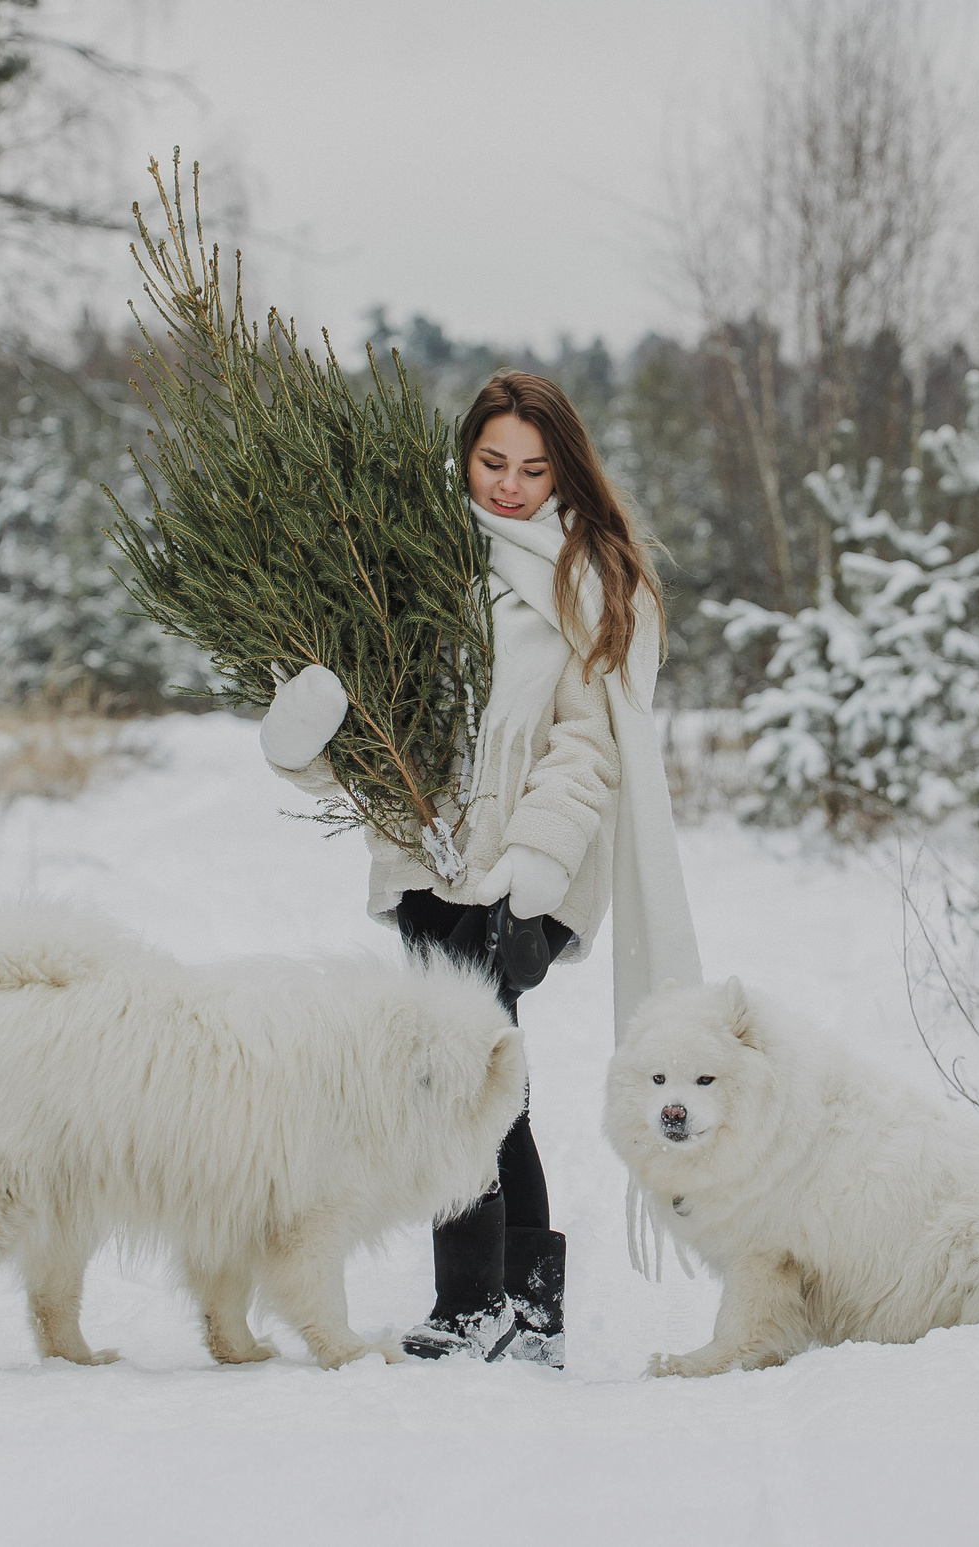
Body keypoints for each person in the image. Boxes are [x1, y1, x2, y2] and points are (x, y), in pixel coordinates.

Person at [256, 369, 703, 1366]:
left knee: (461, 1081)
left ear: (563, 470)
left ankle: (472, 1307)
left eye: (533, 468)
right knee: (484, 1082)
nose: (508, 485)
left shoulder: (582, 578)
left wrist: (535, 862)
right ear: (465, 455)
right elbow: (378, 725)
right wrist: (307, 734)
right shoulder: (421, 561)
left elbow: (588, 745)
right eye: (492, 462)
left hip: (520, 879)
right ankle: (527, 1312)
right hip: (424, 864)